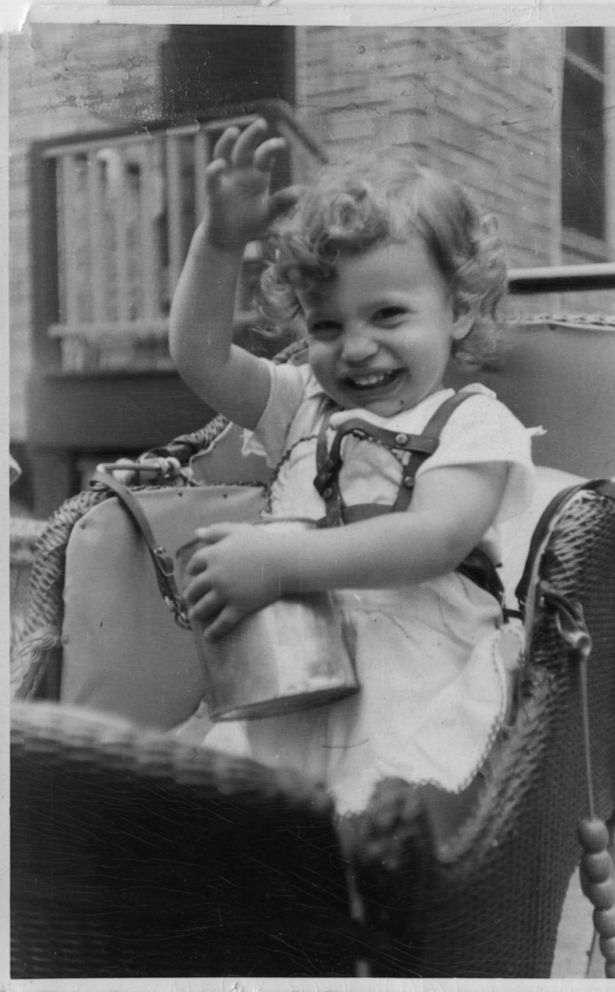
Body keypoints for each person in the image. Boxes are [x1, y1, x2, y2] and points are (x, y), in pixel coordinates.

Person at [169, 117, 536, 832]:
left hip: (421, 685)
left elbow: (431, 539)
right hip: (298, 683)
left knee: (378, 840)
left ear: (458, 311)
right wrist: (219, 242)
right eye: (328, 327)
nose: (358, 349)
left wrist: (281, 560)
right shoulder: (301, 400)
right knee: (245, 832)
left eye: (388, 315)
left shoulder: (470, 422)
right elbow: (201, 358)